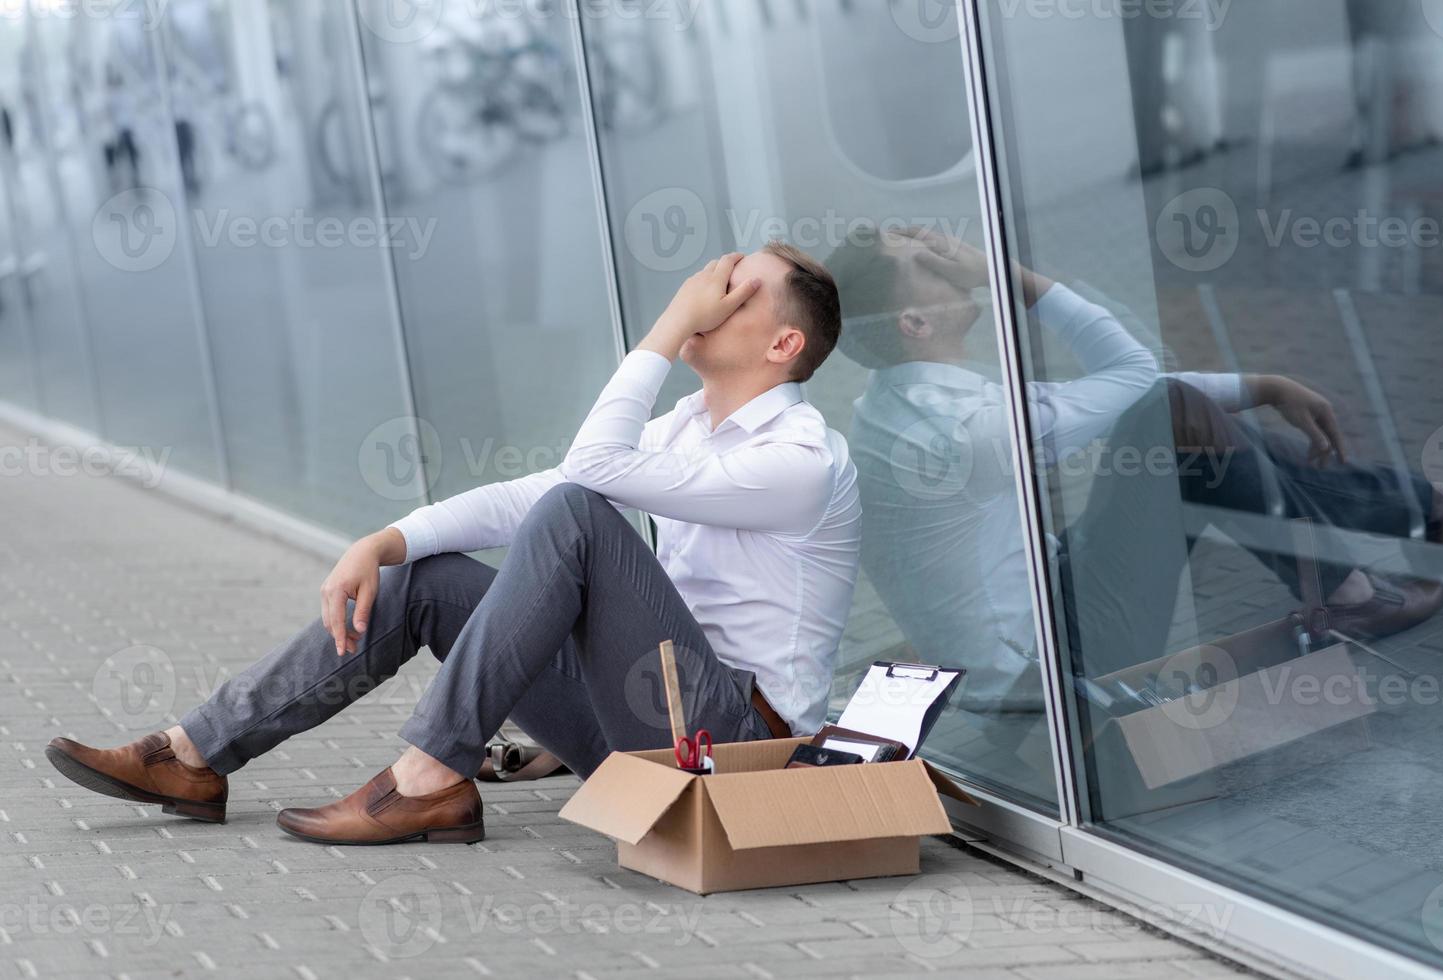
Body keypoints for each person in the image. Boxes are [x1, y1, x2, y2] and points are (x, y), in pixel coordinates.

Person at [46, 244, 860, 845]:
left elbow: (586, 477)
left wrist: (667, 324)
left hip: (739, 746)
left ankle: (427, 776)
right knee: (421, 577)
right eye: (708, 288)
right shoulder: (686, 427)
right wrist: (385, 538)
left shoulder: (798, 459)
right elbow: (531, 496)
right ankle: (193, 754)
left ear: (782, 345)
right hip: (646, 720)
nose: (705, 298)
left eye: (732, 293)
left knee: (580, 512)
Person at [826, 226, 1443, 704]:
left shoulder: (906, 399)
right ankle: (1350, 594)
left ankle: (1427, 510)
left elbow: (1132, 393)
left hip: (1045, 611)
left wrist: (1261, 384)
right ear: (912, 321)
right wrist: (1007, 273)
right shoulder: (962, 430)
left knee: (1186, 422)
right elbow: (1138, 383)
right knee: (1174, 415)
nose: (949, 253)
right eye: (925, 259)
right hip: (1049, 663)